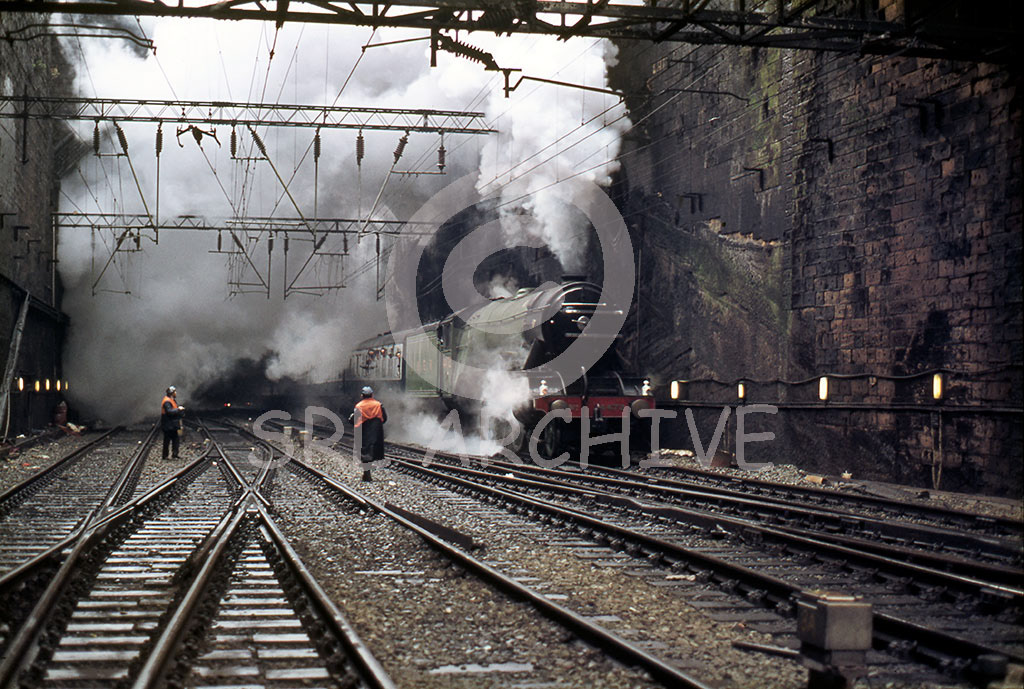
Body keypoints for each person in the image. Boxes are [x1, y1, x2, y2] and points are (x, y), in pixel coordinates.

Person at [350, 386, 386, 481]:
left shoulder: (359, 406)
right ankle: (367, 473)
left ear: (362, 395)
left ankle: (367, 473)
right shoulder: (378, 405)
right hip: (376, 431)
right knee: (373, 450)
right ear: (372, 395)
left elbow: (353, 420)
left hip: (363, 430)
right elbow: (384, 418)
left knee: (364, 451)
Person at [161, 386, 186, 460]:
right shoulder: (167, 401)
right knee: (167, 440)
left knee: (175, 439)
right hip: (168, 424)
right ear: (172, 393)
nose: (176, 393)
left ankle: (174, 454)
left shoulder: (172, 400)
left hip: (172, 424)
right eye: (175, 392)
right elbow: (169, 412)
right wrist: (178, 409)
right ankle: (165, 455)